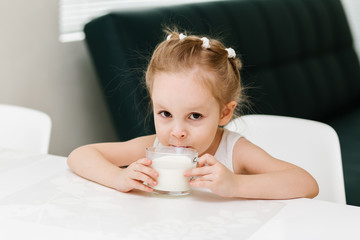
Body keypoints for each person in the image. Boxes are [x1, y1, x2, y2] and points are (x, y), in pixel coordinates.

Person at [67, 30, 319, 199]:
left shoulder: (235, 152)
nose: (177, 132)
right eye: (165, 113)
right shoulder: (153, 148)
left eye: (195, 116)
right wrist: (118, 176)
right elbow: (80, 155)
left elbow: (307, 184)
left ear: (224, 113)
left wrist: (235, 184)